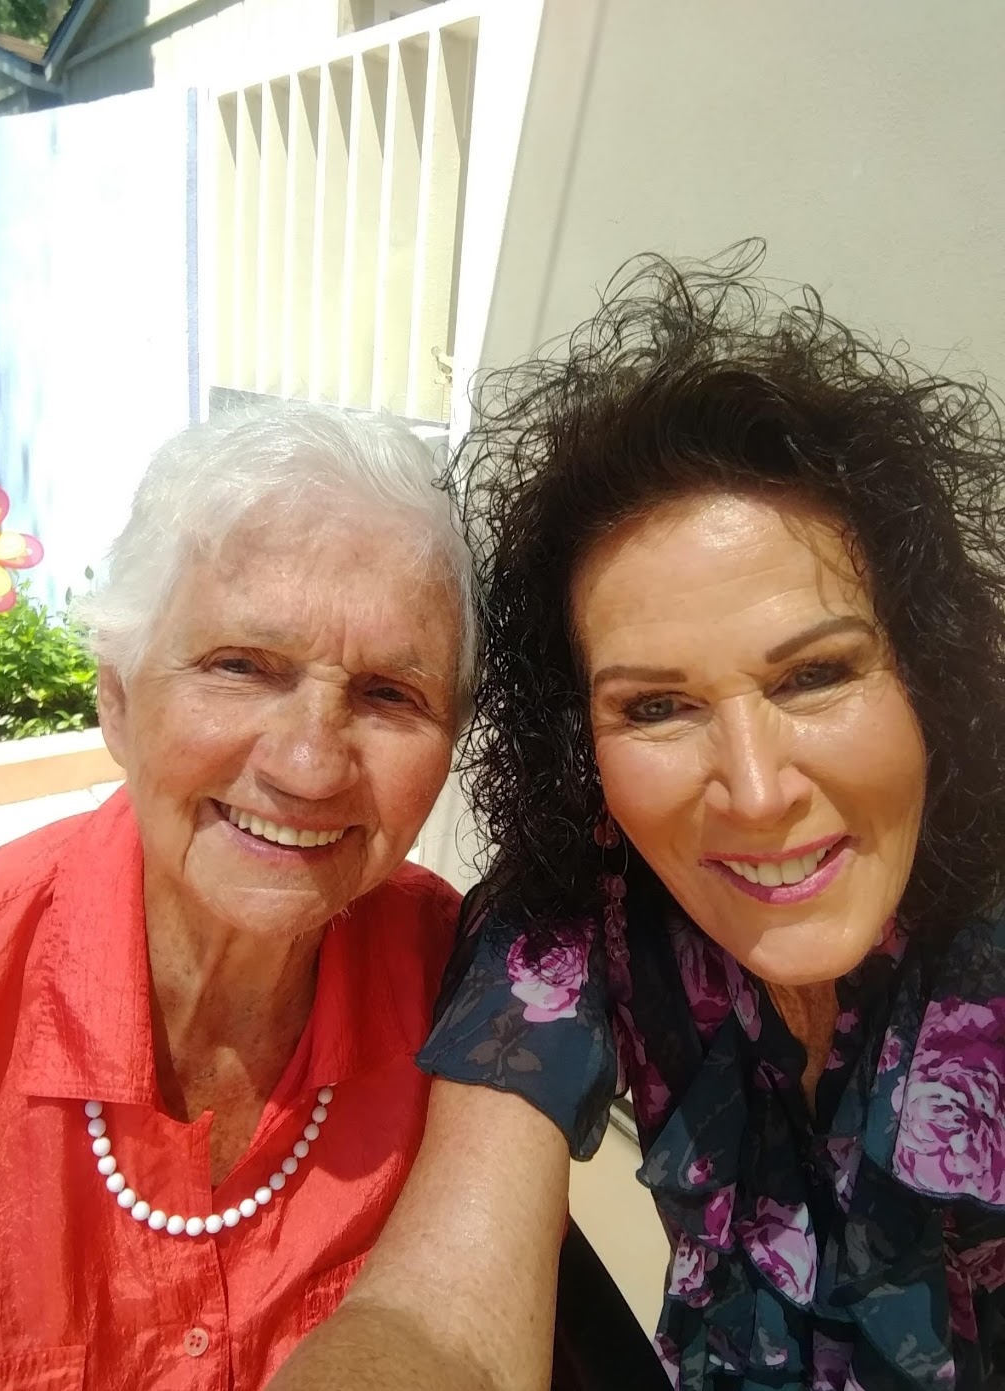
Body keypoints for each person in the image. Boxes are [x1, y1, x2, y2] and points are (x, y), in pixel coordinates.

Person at [269, 245, 1005, 1391]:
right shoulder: (582, 903)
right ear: (583, 742)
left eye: (815, 676)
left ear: (926, 670)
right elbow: (438, 1315)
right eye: (656, 706)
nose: (755, 790)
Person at [0, 403, 475, 1388]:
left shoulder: (473, 993)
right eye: (241, 666)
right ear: (117, 696)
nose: (309, 765)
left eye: (390, 692)